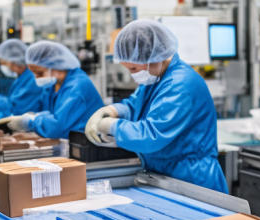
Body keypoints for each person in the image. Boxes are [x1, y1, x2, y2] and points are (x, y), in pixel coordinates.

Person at [84, 20, 227, 193]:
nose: (133, 75)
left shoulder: (181, 84)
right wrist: (111, 111)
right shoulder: (156, 77)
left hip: (192, 180)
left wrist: (112, 125)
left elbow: (151, 135)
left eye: (134, 68)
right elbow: (134, 106)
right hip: (166, 175)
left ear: (153, 57)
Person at [0, 41, 102, 139]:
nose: (37, 78)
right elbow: (50, 113)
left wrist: (30, 122)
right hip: (68, 142)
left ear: (57, 65)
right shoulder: (53, 85)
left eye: (40, 73)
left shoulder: (77, 87)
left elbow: (58, 126)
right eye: (34, 74)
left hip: (90, 148)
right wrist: (34, 116)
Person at [0, 39, 44, 125]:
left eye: (4, 63)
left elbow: (18, 112)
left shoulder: (33, 79)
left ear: (14, 62)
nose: (3, 66)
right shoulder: (22, 77)